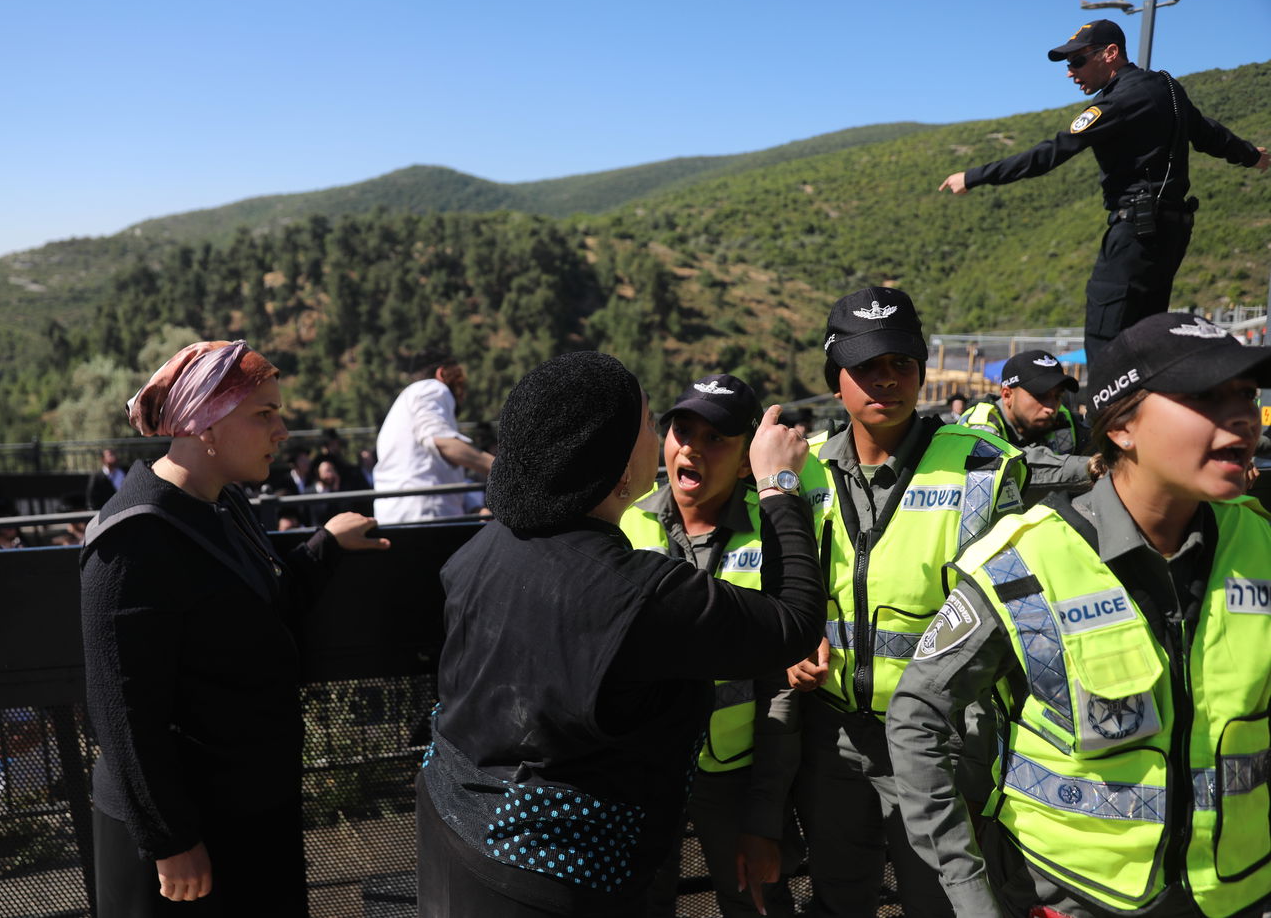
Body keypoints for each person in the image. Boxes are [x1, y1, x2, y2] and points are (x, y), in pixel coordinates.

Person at [887, 312, 1271, 918]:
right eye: (1204, 395)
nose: (1242, 415)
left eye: (1246, 393)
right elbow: (916, 716)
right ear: (1121, 428)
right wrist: (967, 890)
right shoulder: (1020, 565)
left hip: (1240, 892)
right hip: (1070, 898)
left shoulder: (1261, 544)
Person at [416, 351, 824, 918]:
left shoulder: (479, 555)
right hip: (560, 881)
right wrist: (779, 484)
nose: (671, 440)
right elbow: (794, 626)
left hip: (453, 835)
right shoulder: (636, 593)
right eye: (655, 424)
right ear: (614, 461)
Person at [80, 339, 390, 916]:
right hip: (192, 835)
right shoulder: (134, 538)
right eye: (264, 414)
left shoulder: (225, 505)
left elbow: (263, 601)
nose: (282, 432)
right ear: (206, 425)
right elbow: (122, 709)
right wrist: (171, 840)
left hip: (248, 808)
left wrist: (324, 545)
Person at [751, 287, 1027, 918]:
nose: (887, 379)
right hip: (834, 739)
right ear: (835, 378)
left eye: (902, 363)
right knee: (839, 898)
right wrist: (791, 653)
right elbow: (779, 593)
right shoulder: (805, 472)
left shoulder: (982, 468)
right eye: (867, 366)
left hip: (945, 742)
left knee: (943, 904)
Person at [939, 19, 1269, 359]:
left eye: (1078, 61)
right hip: (1170, 232)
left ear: (1110, 53)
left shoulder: (1118, 102)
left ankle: (1105, 413)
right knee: (1145, 344)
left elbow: (1051, 153)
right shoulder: (1168, 89)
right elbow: (1208, 133)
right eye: (1068, 64)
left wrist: (974, 176)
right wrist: (1250, 157)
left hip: (1135, 233)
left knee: (1106, 344)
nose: (1071, 72)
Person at [622, 373, 804, 918]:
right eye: (683, 431)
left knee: (754, 900)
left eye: (715, 438)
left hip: (736, 777)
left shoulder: (773, 533)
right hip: (643, 774)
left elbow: (780, 687)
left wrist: (762, 821)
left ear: (749, 460)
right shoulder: (627, 526)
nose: (692, 449)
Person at [372, 351, 493, 524]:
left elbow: (437, 474)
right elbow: (442, 443)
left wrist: (474, 506)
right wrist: (502, 469)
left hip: (400, 515)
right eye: (460, 382)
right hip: (426, 516)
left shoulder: (406, 408)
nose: (462, 393)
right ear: (442, 373)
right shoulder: (432, 388)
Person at [958, 349, 1093, 502]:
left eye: (1057, 396)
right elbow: (1010, 469)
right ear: (1007, 395)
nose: (1050, 407)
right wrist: (1089, 467)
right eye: (1040, 396)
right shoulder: (980, 425)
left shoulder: (1063, 419)